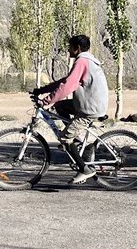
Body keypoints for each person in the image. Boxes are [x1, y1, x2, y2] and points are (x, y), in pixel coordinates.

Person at [32, 34, 109, 184]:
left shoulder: (82, 61)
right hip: (87, 103)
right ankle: (79, 143)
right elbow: (66, 81)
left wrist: (46, 101)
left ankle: (84, 169)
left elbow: (67, 87)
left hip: (89, 108)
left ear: (77, 48)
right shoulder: (86, 60)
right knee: (60, 106)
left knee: (65, 138)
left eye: (70, 47)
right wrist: (42, 90)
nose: (68, 50)